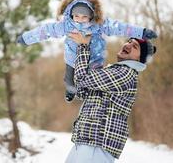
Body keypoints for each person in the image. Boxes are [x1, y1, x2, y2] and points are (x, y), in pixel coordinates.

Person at [17, 0, 157, 102]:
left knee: (92, 84)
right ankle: (71, 91)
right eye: (76, 16)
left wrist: (142, 32)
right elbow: (45, 31)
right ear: (71, 14)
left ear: (91, 16)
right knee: (69, 80)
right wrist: (26, 38)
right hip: (73, 60)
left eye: (84, 17)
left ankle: (89, 99)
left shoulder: (100, 25)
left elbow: (120, 28)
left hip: (95, 58)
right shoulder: (65, 26)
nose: (80, 20)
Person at [65, 31, 157, 163]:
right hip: (86, 140)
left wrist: (83, 46)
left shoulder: (126, 73)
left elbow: (82, 79)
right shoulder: (114, 70)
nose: (128, 45)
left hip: (96, 144)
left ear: (139, 59)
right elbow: (83, 92)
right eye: (129, 41)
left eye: (135, 46)